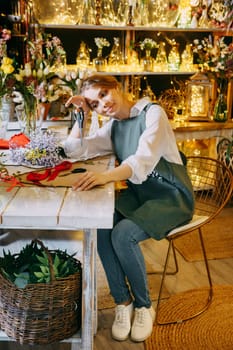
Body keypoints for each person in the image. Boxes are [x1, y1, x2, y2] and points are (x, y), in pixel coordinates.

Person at [64, 74, 194, 342]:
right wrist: (81, 115)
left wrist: (104, 177)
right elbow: (76, 150)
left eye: (103, 94)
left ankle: (145, 305)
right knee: (102, 227)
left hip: (171, 197)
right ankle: (123, 303)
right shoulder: (113, 126)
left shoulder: (153, 113)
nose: (102, 104)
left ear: (117, 87)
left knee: (123, 234)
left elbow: (141, 160)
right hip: (141, 196)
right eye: (94, 103)